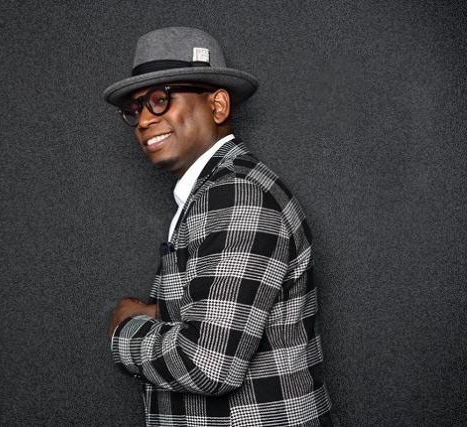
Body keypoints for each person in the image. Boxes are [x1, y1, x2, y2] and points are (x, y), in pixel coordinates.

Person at [104, 27, 333, 426]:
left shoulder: (235, 195)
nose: (143, 120)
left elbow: (208, 364)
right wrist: (166, 313)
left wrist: (125, 328)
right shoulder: (217, 190)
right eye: (136, 108)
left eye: (160, 99)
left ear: (218, 105)